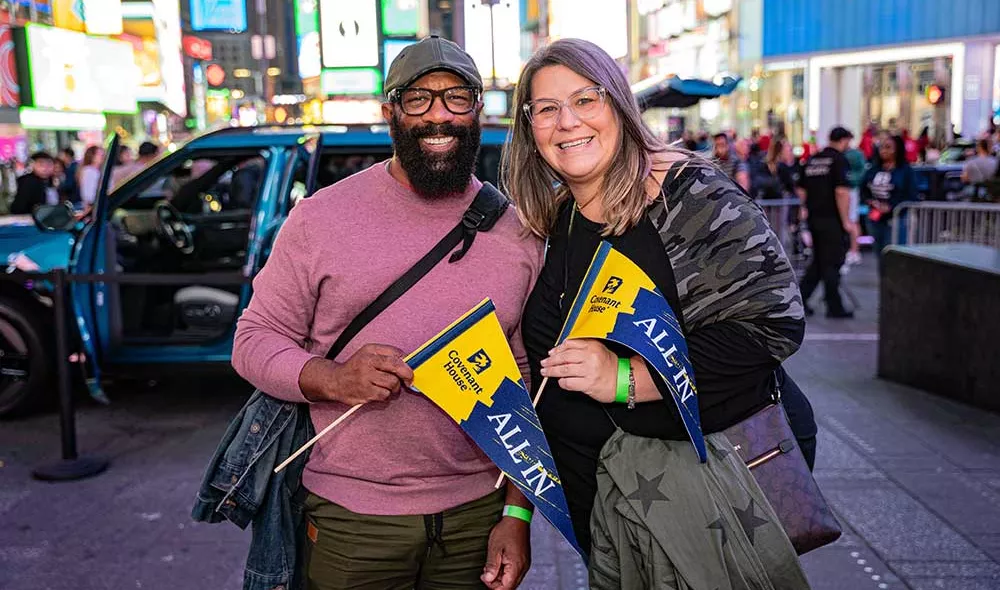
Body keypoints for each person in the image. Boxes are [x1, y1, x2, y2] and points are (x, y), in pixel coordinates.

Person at [231, 36, 538, 590]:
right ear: (389, 111)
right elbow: (253, 339)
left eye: (457, 98)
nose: (439, 115)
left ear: (479, 110)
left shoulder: (515, 234)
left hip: (479, 513)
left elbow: (525, 382)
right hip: (353, 518)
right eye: (418, 99)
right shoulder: (320, 219)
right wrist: (332, 377)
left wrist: (518, 514)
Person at [504, 38, 810, 588]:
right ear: (529, 129)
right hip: (613, 513)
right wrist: (519, 508)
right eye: (546, 109)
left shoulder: (684, 194)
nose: (567, 121)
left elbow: (773, 326)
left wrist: (624, 378)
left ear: (619, 105)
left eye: (585, 99)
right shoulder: (563, 216)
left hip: (699, 500)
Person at [797, 126, 854, 319]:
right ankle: (833, 305)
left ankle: (800, 299)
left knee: (819, 262)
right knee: (832, 263)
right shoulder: (839, 160)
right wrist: (846, 221)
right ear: (844, 140)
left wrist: (808, 206)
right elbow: (841, 192)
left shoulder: (813, 159)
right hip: (832, 219)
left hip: (815, 217)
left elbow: (801, 189)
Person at [862, 135, 918, 269]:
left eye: (888, 147)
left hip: (897, 218)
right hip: (875, 219)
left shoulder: (905, 170)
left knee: (894, 255)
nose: (884, 151)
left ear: (897, 149)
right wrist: (871, 202)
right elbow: (863, 189)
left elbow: (911, 194)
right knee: (880, 254)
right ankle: (884, 285)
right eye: (881, 147)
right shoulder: (873, 169)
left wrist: (891, 206)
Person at [844, 142, 867, 266]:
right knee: (851, 221)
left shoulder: (856, 154)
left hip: (851, 191)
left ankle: (854, 251)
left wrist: (851, 180)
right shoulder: (848, 154)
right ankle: (852, 250)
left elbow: (862, 172)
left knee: (852, 221)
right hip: (847, 190)